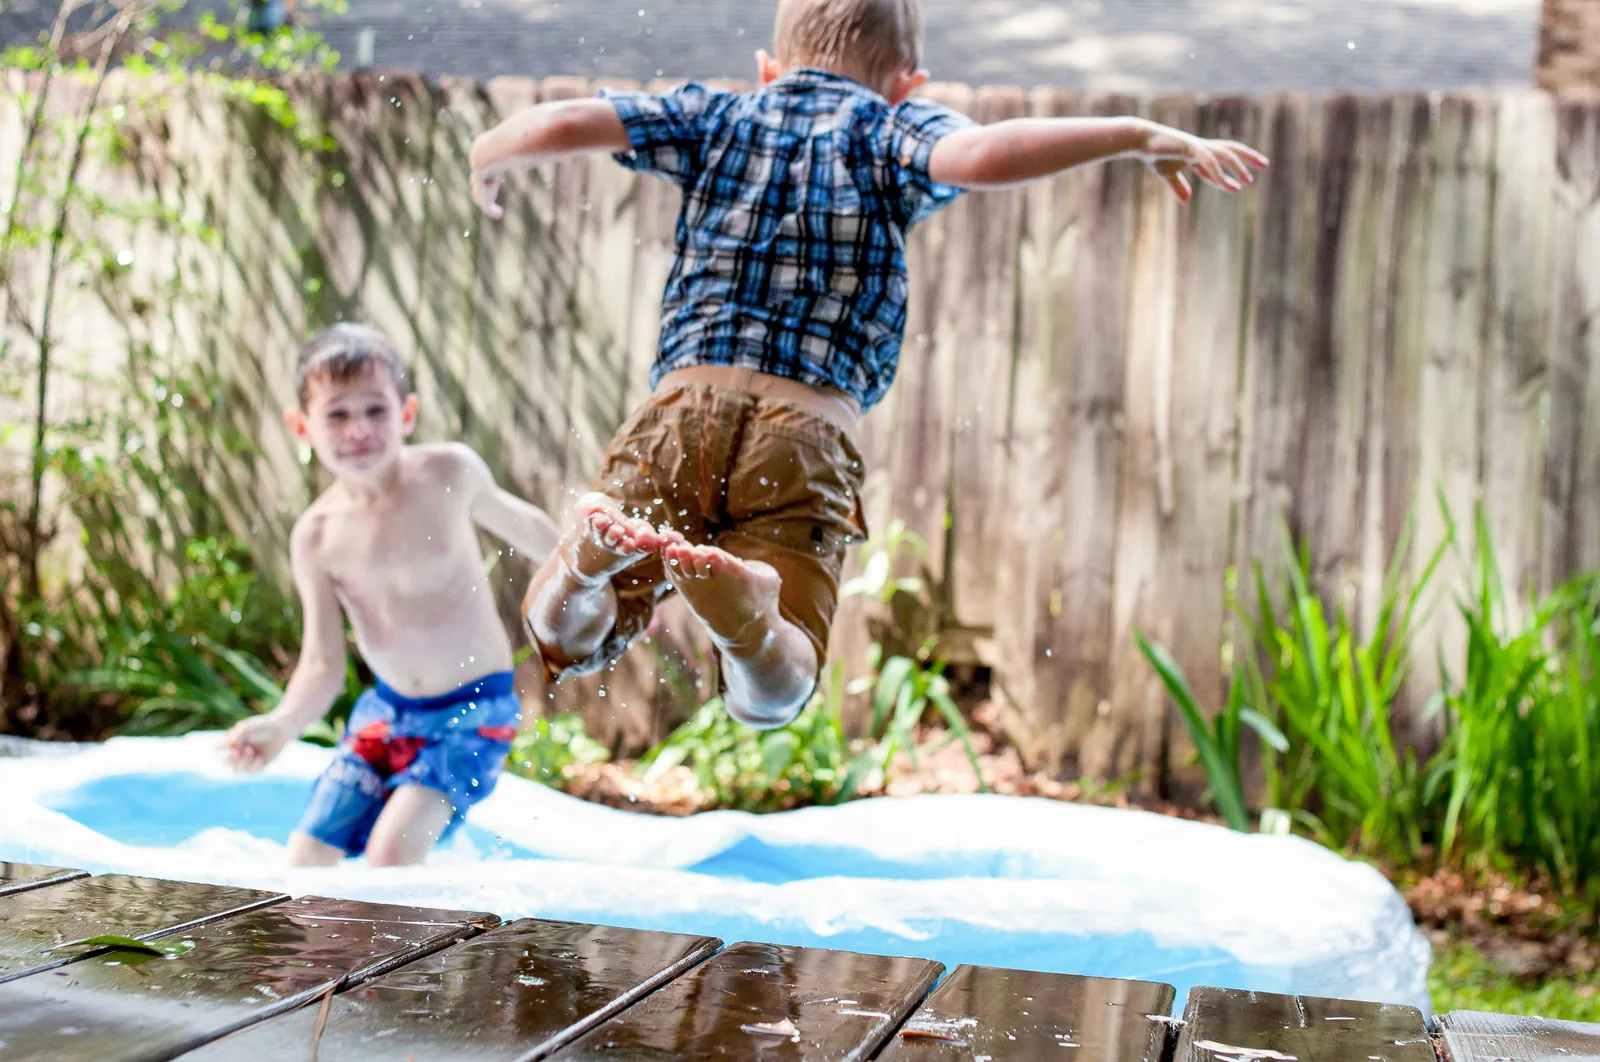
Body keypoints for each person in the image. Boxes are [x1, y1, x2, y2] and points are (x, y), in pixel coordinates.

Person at [466, 0, 1268, 733]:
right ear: (906, 84)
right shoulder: (890, 130)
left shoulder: (716, 115)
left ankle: (580, 566)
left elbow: (573, 118)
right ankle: (749, 625)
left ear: (769, 68)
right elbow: (986, 154)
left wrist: (489, 152)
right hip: (807, 431)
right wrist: (1134, 133)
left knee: (567, 636)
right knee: (776, 692)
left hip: (681, 408)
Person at [219, 323, 562, 867]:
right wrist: (281, 725)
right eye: (337, 414)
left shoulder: (447, 473)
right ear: (301, 426)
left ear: (406, 414)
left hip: (475, 708)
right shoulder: (315, 536)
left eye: (375, 410)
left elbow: (533, 532)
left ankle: (421, 950)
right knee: (304, 861)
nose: (358, 428)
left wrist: (605, 584)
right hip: (387, 714)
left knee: (390, 855)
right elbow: (323, 663)